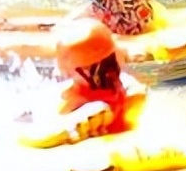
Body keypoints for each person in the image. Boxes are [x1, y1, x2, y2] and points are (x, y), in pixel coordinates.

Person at [21, 18, 147, 148]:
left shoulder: (130, 91)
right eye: (97, 67)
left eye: (108, 64)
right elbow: (34, 138)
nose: (106, 71)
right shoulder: (76, 103)